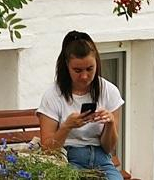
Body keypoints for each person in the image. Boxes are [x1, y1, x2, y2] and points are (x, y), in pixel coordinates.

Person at [37, 30, 125, 180]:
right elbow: (47, 149)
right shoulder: (53, 95)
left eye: (90, 69)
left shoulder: (109, 91)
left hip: (101, 159)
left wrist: (110, 124)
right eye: (77, 70)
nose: (84, 76)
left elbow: (109, 148)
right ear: (67, 66)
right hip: (69, 159)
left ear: (97, 63)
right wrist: (66, 126)